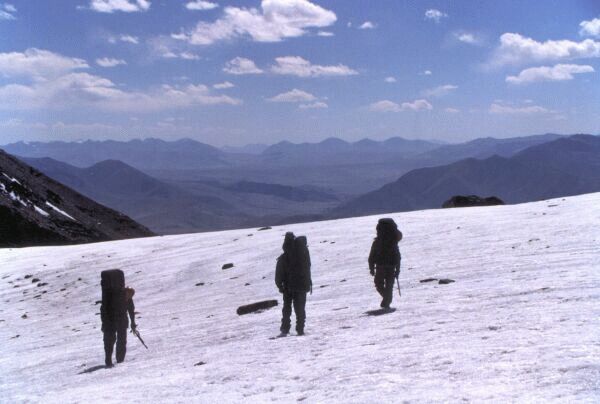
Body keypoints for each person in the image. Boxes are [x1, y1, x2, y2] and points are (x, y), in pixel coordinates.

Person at [275, 233, 312, 336]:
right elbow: (307, 269)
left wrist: (280, 286)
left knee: (287, 309)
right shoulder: (304, 254)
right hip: (302, 286)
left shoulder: (284, 256)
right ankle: (300, 330)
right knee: (300, 309)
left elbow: (279, 273)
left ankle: (285, 330)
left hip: (288, 287)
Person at [100, 269, 136, 368]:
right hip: (113, 320)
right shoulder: (117, 297)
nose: (129, 296)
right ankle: (111, 360)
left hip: (116, 321)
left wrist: (133, 323)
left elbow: (131, 311)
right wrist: (132, 323)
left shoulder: (125, 299)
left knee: (117, 340)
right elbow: (131, 311)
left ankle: (117, 360)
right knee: (113, 340)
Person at [368, 218, 402, 309]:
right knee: (389, 285)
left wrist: (371, 268)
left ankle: (387, 299)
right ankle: (387, 299)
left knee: (379, 283)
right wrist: (398, 269)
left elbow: (371, 257)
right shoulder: (393, 242)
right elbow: (398, 256)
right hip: (391, 266)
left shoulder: (377, 242)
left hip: (381, 266)